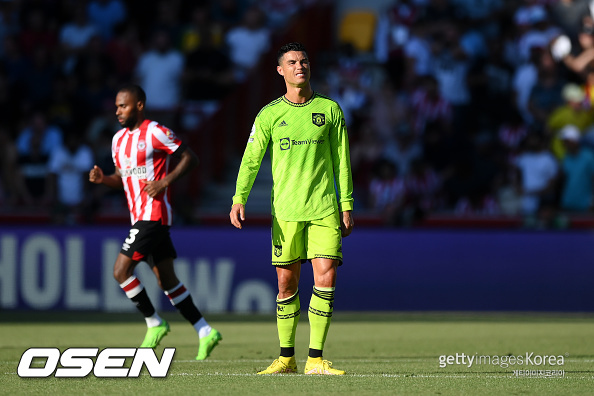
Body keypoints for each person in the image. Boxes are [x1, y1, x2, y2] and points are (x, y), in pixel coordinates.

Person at [230, 42, 354, 375]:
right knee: (286, 285)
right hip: (285, 211)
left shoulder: (330, 110)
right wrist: (239, 198)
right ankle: (286, 358)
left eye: (304, 60)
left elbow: (342, 160)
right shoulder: (269, 114)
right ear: (280, 71)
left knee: (325, 279)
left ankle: (315, 359)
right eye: (292, 62)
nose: (300, 66)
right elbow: (251, 159)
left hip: (324, 208)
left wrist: (346, 204)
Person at [89, 84, 221, 359]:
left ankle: (154, 322)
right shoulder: (117, 140)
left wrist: (165, 181)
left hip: (154, 215)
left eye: (123, 106)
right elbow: (122, 178)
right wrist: (104, 179)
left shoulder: (155, 132)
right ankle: (205, 329)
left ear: (139, 105)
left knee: (120, 271)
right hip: (140, 217)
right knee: (167, 280)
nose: (118, 111)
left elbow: (190, 157)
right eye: (116, 106)